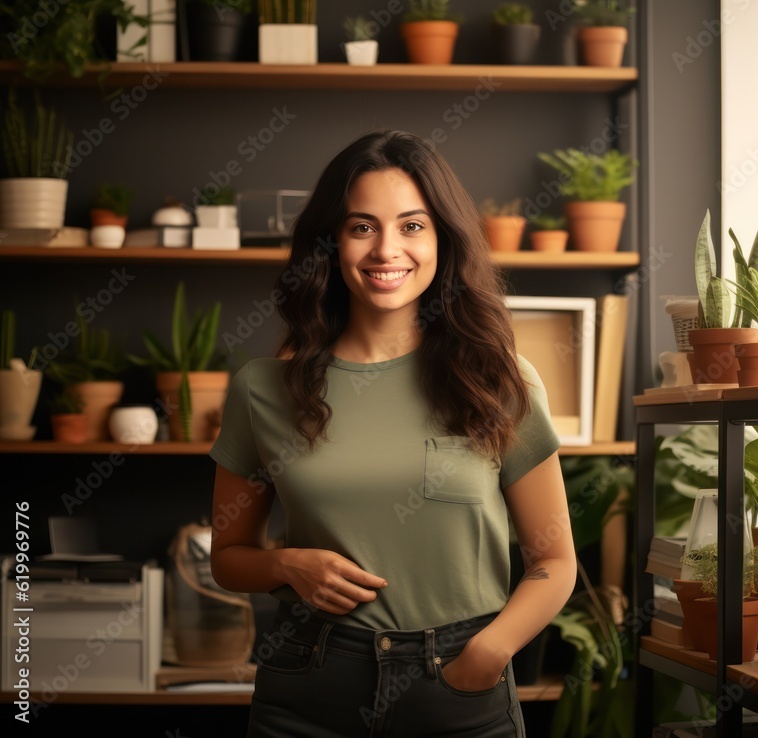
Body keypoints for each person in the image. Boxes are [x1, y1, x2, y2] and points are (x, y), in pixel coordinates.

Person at [209, 129, 576, 737]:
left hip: (460, 686)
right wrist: (288, 565)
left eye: (411, 226)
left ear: (442, 239)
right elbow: (229, 560)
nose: (386, 250)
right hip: (309, 684)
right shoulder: (262, 389)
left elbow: (554, 559)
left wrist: (487, 655)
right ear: (331, 242)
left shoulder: (499, 382)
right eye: (361, 227)